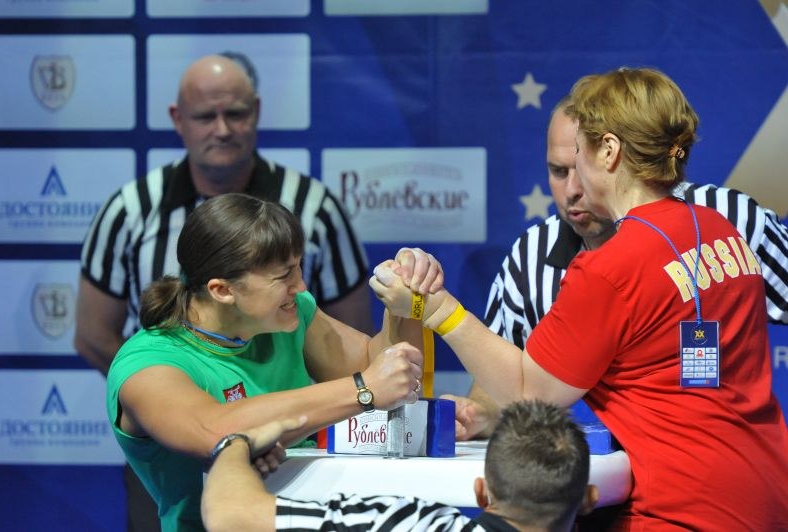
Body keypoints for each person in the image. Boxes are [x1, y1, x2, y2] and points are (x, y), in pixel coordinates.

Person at [371, 67, 788, 529]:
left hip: (682, 510)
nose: (573, 182)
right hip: (767, 495)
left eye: (580, 151)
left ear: (608, 151)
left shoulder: (609, 268)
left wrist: (434, 309)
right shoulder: (720, 229)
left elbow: (529, 393)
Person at [77, 53, 373, 530]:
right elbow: (97, 336)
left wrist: (413, 306)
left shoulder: (313, 211)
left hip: (307, 481)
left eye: (235, 113)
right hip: (181, 459)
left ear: (256, 111)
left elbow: (367, 352)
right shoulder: (130, 212)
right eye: (205, 116)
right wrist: (165, 400)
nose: (222, 129)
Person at [449, 95, 788, 441]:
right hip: (593, 469)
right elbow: (505, 380)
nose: (572, 190)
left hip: (713, 459)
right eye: (558, 171)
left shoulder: (729, 218)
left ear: (614, 156)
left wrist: (443, 313)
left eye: (583, 167)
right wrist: (481, 413)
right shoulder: (530, 256)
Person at [106, 193, 442, 532]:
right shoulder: (146, 364)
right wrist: (363, 390)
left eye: (298, 267)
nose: (301, 286)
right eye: (283, 276)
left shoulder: (290, 315)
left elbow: (387, 371)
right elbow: (217, 431)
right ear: (222, 290)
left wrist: (407, 302)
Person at [201, 400, 598, 532]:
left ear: (481, 491)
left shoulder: (406, 523)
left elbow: (229, 515)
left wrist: (237, 444)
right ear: (588, 499)